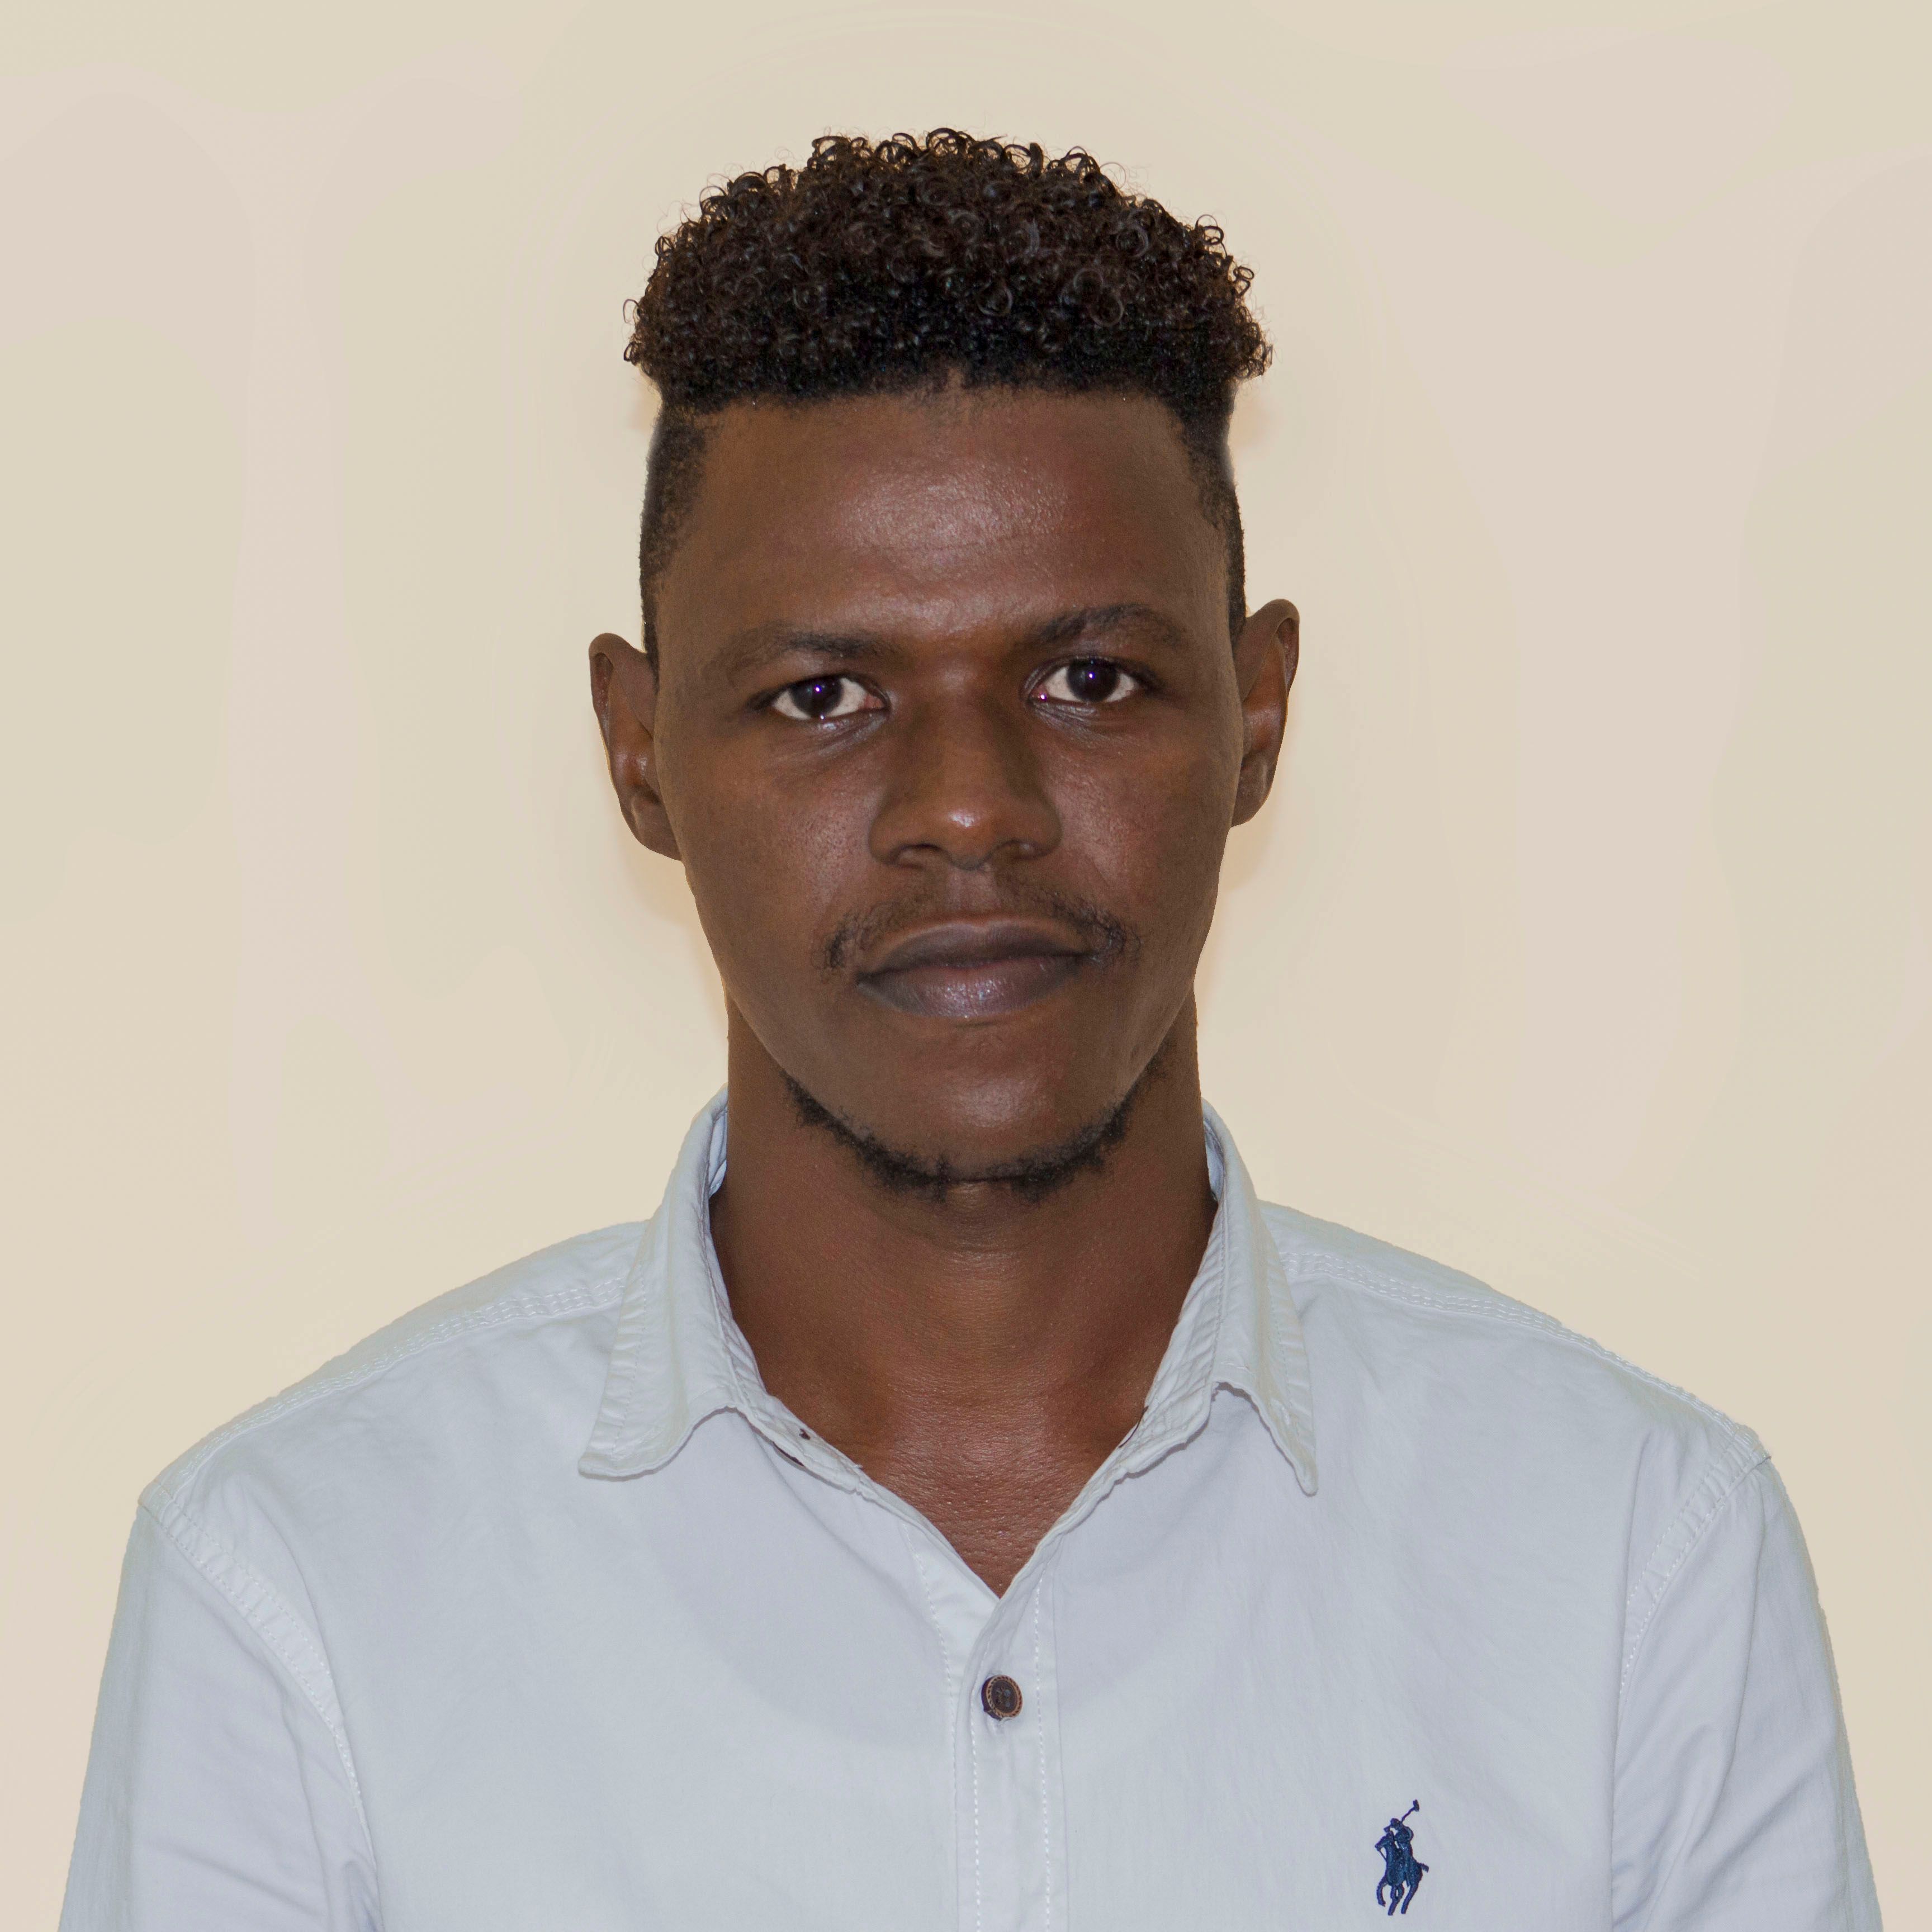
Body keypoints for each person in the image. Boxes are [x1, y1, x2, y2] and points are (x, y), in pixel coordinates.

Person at [61, 130, 1878, 1931]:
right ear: (640, 751)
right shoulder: (300, 1595)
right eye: (823, 696)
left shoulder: (1634, 1560)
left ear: (1256, 715)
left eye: (1090, 680)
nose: (969, 808)